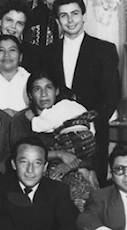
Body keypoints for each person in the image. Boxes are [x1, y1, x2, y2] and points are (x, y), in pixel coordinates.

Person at [43, 0, 121, 186]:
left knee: (93, 190)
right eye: (64, 15)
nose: (70, 20)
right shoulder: (48, 53)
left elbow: (112, 94)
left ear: (84, 16)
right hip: (57, 134)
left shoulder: (104, 49)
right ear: (57, 20)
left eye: (75, 14)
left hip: (93, 133)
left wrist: (92, 123)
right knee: (59, 191)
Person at [14, 72, 99, 211]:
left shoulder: (68, 113)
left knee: (84, 191)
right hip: (36, 175)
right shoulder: (22, 120)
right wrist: (58, 154)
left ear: (57, 91)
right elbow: (19, 156)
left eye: (49, 88)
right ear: (30, 94)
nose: (43, 94)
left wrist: (70, 166)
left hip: (74, 171)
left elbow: (90, 157)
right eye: (37, 89)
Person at [0, 0, 41, 72]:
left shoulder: (36, 55)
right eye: (9, 20)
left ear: (24, 28)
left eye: (19, 23)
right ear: (0, 22)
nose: (13, 26)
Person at [0, 35, 30, 115]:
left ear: (20, 57)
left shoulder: (31, 80)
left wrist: (17, 117)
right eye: (1, 50)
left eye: (12, 50)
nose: (6, 55)